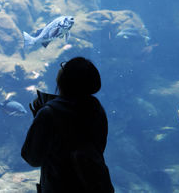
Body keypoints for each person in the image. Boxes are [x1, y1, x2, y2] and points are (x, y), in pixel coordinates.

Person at [21, 57, 114, 193]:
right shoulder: (96, 109)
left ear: (66, 79)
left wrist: (40, 120)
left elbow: (32, 158)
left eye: (64, 67)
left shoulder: (48, 113)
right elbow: (97, 147)